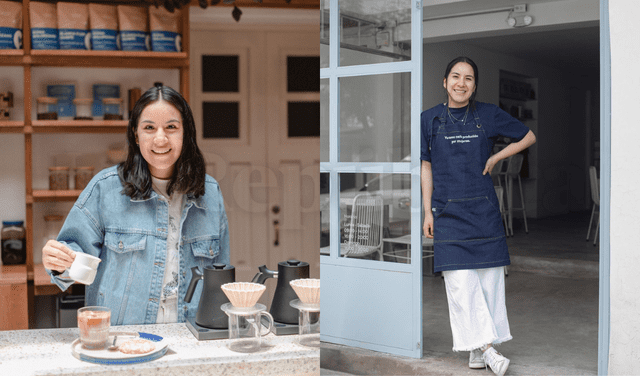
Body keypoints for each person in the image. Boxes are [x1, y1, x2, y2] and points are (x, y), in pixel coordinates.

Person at [42, 83, 230, 325]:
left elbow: (222, 279)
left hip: (192, 335)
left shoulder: (210, 193)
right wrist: (58, 262)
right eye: (149, 128)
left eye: (171, 127)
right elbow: (71, 262)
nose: (160, 139)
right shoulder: (106, 188)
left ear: (186, 133)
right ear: (135, 134)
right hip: (123, 339)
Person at [421, 57, 536, 376]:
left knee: (489, 284)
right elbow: (426, 166)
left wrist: (498, 155)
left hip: (483, 211)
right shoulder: (428, 119)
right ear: (444, 82)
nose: (461, 83)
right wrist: (426, 211)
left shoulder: (488, 113)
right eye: (455, 77)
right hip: (447, 212)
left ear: (474, 85)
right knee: (460, 285)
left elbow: (528, 136)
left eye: (468, 78)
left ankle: (477, 352)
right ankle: (488, 349)